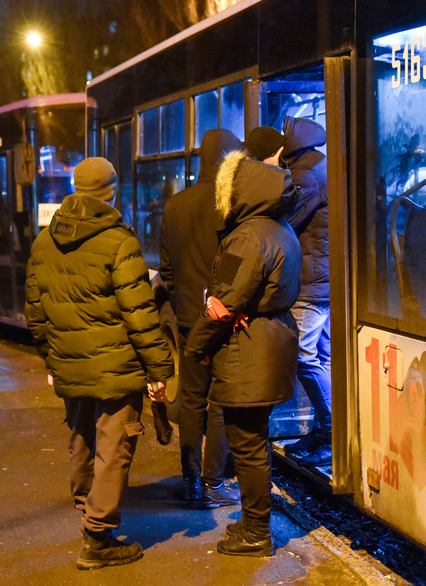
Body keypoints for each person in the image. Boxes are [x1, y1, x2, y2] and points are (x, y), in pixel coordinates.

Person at [25, 157, 174, 570]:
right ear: (112, 190)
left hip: (70, 365)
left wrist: (50, 358)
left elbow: (35, 312)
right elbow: (140, 315)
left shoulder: (43, 242)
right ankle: (97, 538)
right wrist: (160, 371)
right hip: (116, 369)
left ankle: (86, 511)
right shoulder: (120, 243)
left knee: (82, 438)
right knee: (116, 446)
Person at [185, 149, 302, 557]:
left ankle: (256, 532)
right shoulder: (279, 228)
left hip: (248, 351)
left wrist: (195, 348)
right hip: (271, 343)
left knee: (248, 446)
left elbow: (223, 302)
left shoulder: (247, 236)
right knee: (255, 441)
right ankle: (254, 525)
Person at [159, 129, 242, 508]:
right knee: (222, 400)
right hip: (224, 320)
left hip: (189, 319)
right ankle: (214, 483)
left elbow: (167, 270)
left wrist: (183, 305)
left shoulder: (175, 205)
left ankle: (191, 481)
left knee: (191, 400)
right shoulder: (232, 204)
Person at [246, 120, 332, 466]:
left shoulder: (304, 174)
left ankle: (330, 433)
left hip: (311, 283)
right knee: (321, 359)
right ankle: (323, 430)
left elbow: (283, 220)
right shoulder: (318, 163)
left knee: (304, 357)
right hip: (324, 279)